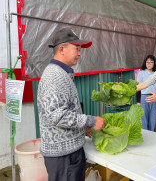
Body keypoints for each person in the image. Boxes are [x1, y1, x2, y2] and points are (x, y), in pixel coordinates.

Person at [37, 28, 106, 181]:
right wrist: (91, 121)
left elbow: (64, 110)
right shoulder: (54, 76)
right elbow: (58, 116)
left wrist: (82, 126)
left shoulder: (61, 73)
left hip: (67, 154)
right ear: (62, 49)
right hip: (64, 158)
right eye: (77, 48)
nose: (80, 53)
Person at [136, 55, 156, 131]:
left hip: (154, 97)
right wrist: (138, 101)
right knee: (144, 118)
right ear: (145, 63)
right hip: (144, 97)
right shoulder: (141, 73)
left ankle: (152, 133)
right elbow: (138, 88)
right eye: (147, 62)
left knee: (153, 118)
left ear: (154, 63)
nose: (149, 64)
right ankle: (145, 134)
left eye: (151, 62)